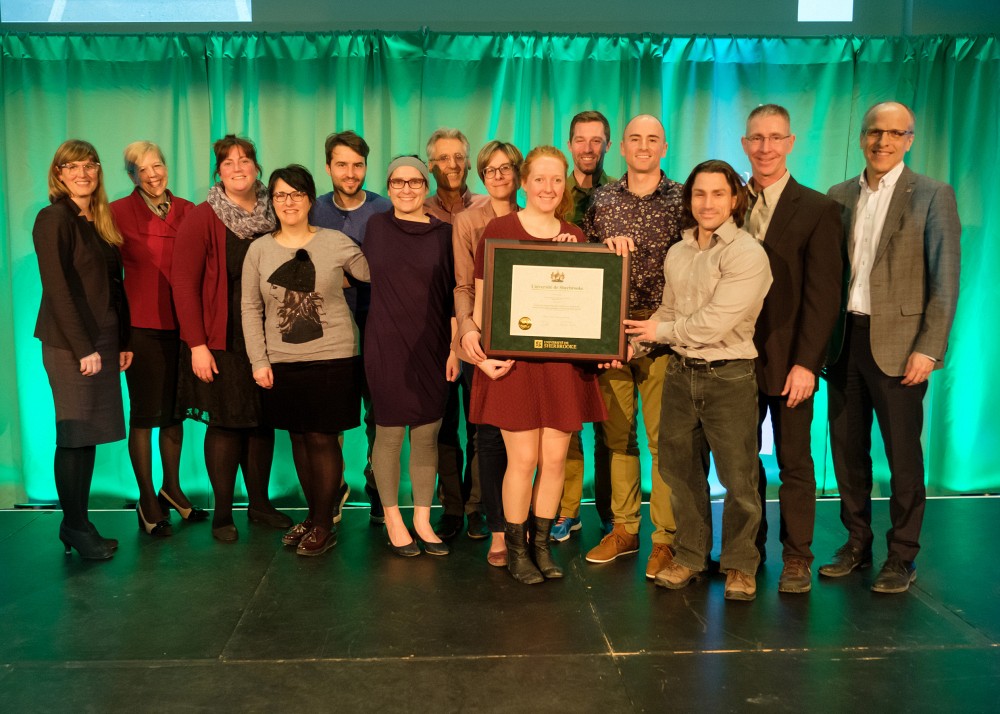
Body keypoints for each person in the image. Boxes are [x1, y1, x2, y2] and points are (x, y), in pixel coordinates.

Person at [821, 101, 961, 594]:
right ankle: (858, 543)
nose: (883, 141)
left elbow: (945, 281)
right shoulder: (838, 196)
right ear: (862, 136)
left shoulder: (932, 195)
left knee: (903, 456)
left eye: (894, 133)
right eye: (874, 132)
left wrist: (930, 348)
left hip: (902, 348)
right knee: (846, 451)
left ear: (910, 139)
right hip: (844, 343)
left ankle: (902, 555)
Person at [626, 160, 772, 601]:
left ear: (734, 200)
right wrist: (630, 347)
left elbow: (713, 324)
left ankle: (741, 564)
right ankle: (690, 555)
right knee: (680, 472)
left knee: (738, 478)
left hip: (728, 376)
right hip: (680, 374)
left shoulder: (747, 253)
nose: (707, 203)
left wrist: (658, 333)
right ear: (689, 200)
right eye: (699, 194)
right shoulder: (679, 251)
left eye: (717, 194)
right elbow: (668, 313)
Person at [470, 145, 608, 584]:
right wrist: (478, 350)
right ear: (524, 183)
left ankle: (541, 546)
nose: (548, 188)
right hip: (516, 364)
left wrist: (571, 259)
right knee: (523, 459)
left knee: (554, 461)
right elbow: (482, 303)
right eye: (539, 179)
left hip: (561, 366)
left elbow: (589, 310)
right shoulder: (499, 229)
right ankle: (515, 549)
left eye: (556, 179)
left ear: (563, 184)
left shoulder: (576, 236)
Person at [738, 104, 844, 593]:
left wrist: (808, 364)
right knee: (742, 462)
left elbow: (824, 299)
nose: (765, 148)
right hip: (735, 359)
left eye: (775, 138)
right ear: (745, 144)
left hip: (790, 361)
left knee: (795, 461)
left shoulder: (819, 209)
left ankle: (797, 556)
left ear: (791, 142)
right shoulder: (727, 202)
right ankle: (747, 551)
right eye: (757, 138)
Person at [242, 165, 370, 556]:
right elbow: (250, 308)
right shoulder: (260, 249)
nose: (289, 202)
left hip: (332, 357)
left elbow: (376, 275)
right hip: (281, 360)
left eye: (296, 194)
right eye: (281, 195)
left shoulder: (336, 242)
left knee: (321, 438)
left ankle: (322, 522)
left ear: (310, 200)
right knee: (298, 437)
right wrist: (258, 361)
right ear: (272, 201)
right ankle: (314, 517)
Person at [171, 134, 292, 542]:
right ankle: (224, 512)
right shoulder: (203, 217)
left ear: (257, 167)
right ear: (218, 171)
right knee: (225, 424)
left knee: (261, 423)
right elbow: (183, 285)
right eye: (228, 162)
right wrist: (197, 345)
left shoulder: (277, 211)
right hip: (220, 339)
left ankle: (260, 504)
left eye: (245, 160)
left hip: (270, 338)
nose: (238, 167)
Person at [581, 115, 684, 580]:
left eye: (653, 139)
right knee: (617, 437)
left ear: (665, 147)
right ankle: (624, 528)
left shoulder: (684, 198)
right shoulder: (600, 200)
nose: (644, 146)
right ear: (620, 147)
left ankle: (665, 538)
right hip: (612, 342)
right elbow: (582, 264)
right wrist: (604, 247)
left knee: (666, 441)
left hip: (665, 340)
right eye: (635, 139)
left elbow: (694, 269)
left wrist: (664, 322)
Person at [33, 139, 132, 559]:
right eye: (71, 166)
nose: (82, 173)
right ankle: (74, 525)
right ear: (59, 174)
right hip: (72, 343)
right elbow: (57, 288)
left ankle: (79, 521)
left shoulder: (98, 219)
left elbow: (114, 284)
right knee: (73, 434)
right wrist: (82, 348)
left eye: (89, 164)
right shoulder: (53, 218)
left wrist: (123, 340)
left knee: (87, 435)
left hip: (104, 339)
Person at [364, 156, 460, 557]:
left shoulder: (445, 234)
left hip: (434, 345)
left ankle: (422, 517)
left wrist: (455, 347)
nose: (406, 189)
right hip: (385, 343)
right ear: (388, 187)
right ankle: (393, 518)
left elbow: (456, 295)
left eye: (414, 182)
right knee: (387, 436)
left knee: (426, 437)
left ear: (426, 187)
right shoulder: (375, 227)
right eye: (398, 182)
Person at [111, 141, 205, 537]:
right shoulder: (114, 213)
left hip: (183, 326)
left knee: (174, 412)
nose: (152, 174)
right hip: (140, 328)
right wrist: (118, 338)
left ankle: (172, 487)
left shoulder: (189, 210)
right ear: (131, 176)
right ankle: (147, 497)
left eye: (157, 165)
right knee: (147, 414)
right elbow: (109, 279)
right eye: (141, 169)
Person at [310, 130, 392, 525]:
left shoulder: (384, 207)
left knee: (378, 411)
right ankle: (334, 486)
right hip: (327, 327)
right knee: (333, 412)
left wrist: (351, 276)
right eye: (341, 164)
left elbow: (390, 267)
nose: (350, 172)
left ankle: (377, 485)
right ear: (328, 167)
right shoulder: (312, 209)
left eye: (357, 165)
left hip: (378, 321)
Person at [453, 140, 523, 566]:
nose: (498, 176)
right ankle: (495, 524)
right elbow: (462, 284)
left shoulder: (537, 213)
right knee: (488, 436)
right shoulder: (466, 221)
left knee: (528, 441)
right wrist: (467, 331)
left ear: (518, 174)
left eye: (505, 169)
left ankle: (526, 522)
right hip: (483, 341)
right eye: (489, 170)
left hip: (529, 340)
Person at [424, 128, 488, 541]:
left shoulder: (489, 208)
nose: (452, 165)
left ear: (469, 163)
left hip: (477, 330)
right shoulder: (416, 207)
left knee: (481, 421)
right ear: (431, 165)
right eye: (443, 158)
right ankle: (450, 505)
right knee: (442, 425)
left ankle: (478, 504)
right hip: (430, 333)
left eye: (458, 157)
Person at [554, 110, 616, 541]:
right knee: (569, 424)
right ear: (570, 144)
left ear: (607, 145)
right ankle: (567, 510)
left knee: (611, 427)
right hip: (564, 320)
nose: (589, 148)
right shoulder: (555, 194)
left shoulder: (620, 194)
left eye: (597, 140)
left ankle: (614, 512)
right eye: (581, 140)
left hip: (607, 323)